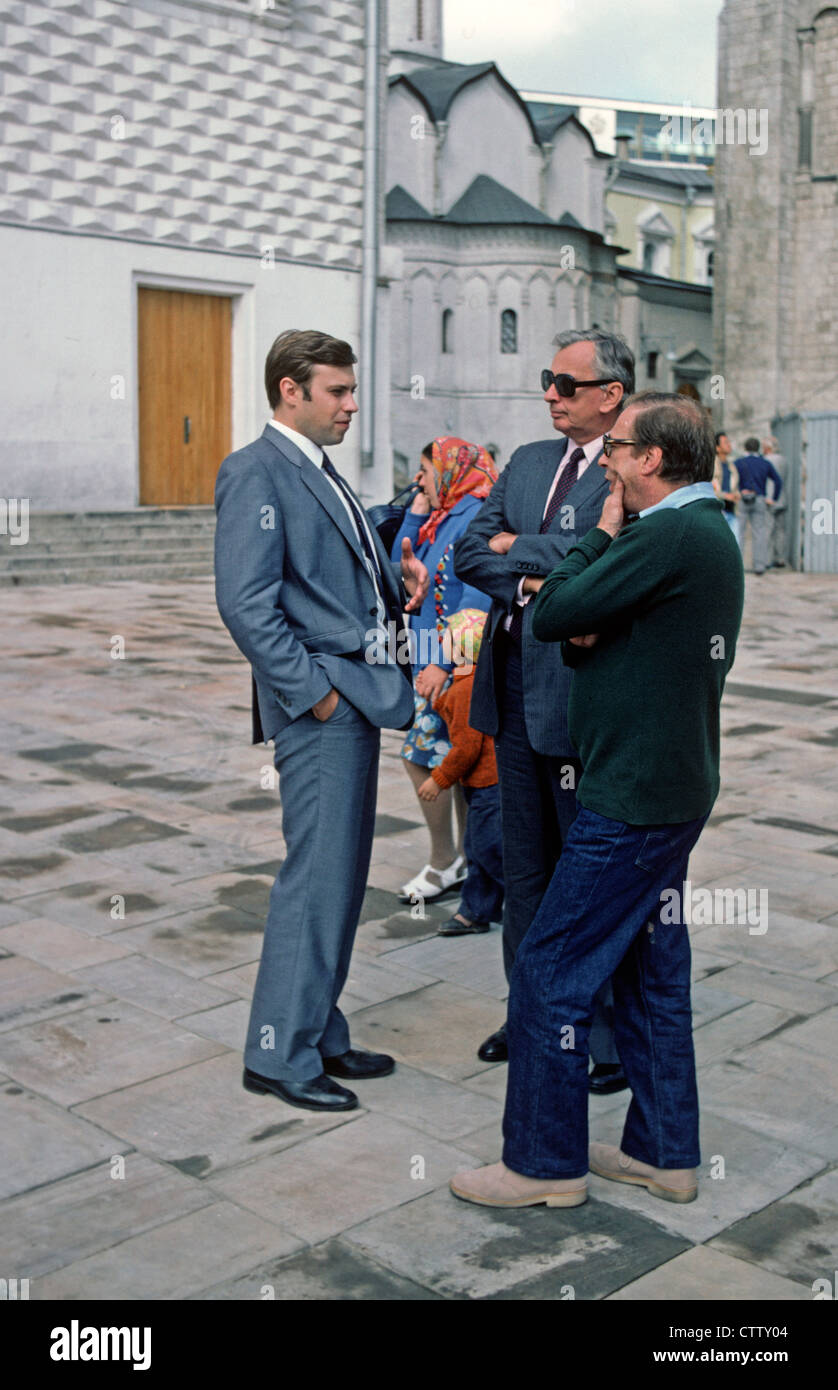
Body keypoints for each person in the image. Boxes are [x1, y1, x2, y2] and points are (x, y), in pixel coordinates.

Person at [449, 391, 744, 1209]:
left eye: (616, 448)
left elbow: (555, 612)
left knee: (549, 969)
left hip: (633, 796)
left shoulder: (668, 533)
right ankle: (663, 1154)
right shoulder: (695, 531)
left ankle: (542, 1166)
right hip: (665, 786)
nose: (605, 463)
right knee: (653, 966)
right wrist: (588, 618)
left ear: (651, 460)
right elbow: (591, 629)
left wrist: (599, 540)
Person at [214, 329, 428, 1114]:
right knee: (314, 880)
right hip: (323, 707)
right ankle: (278, 1053)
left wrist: (389, 562)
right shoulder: (254, 470)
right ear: (290, 391)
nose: (351, 404)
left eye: (351, 388)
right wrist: (316, 695)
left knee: (339, 878)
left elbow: (332, 549)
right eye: (336, 391)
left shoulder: (316, 467)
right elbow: (245, 604)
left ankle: (319, 1028)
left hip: (357, 696)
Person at [453, 328, 634, 1096]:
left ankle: (598, 1034)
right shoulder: (527, 462)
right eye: (547, 381)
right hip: (511, 701)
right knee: (524, 874)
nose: (550, 395)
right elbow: (467, 549)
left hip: (580, 703)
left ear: (610, 395)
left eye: (565, 383)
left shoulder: (629, 471)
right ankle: (528, 1013)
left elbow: (615, 558)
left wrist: (516, 547)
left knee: (582, 881)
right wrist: (535, 577)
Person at [390, 438, 497, 906]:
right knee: (447, 759)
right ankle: (469, 863)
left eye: (426, 472)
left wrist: (443, 661)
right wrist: (415, 513)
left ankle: (445, 860)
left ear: (453, 472)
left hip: (452, 663)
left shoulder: (474, 514)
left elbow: (477, 592)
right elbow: (401, 565)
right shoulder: (443, 512)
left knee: (421, 756)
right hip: (432, 655)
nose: (421, 480)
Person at [416, 608, 504, 936]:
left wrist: (438, 780)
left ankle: (527, 899)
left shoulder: (468, 688)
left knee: (486, 848)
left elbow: (466, 747)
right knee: (480, 847)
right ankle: (476, 910)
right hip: (485, 785)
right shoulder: (470, 679)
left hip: (488, 785)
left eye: (447, 640)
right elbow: (454, 704)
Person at [734, 436, 783, 574]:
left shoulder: (738, 462)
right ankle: (759, 566)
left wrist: (737, 491)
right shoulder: (764, 463)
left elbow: (732, 479)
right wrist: (773, 498)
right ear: (758, 448)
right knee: (759, 533)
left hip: (742, 499)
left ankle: (737, 566)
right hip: (759, 498)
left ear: (745, 448)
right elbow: (778, 481)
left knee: (739, 533)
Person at [762, 435, 788, 567]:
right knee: (780, 530)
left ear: (767, 448)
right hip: (782, 498)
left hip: (770, 498)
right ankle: (780, 558)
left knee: (767, 529)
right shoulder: (783, 460)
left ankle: (766, 560)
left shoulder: (766, 461)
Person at [712, 430, 739, 538]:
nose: (729, 445)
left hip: (731, 510)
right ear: (717, 448)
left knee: (735, 545)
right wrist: (725, 495)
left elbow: (733, 486)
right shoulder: (712, 465)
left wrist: (736, 494)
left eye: (729, 442)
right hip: (718, 511)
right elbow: (710, 488)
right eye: (725, 443)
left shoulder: (731, 466)